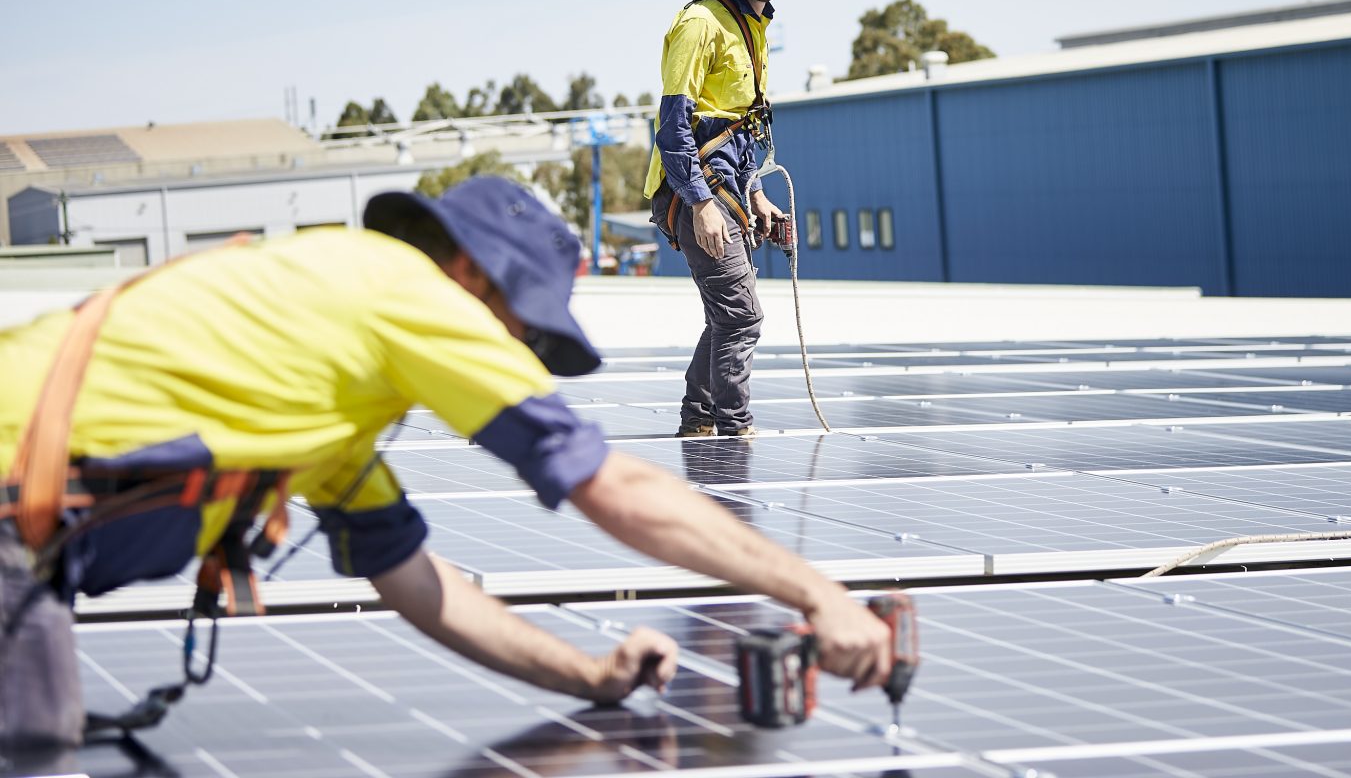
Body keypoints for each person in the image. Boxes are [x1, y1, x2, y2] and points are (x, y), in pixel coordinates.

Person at [0, 175, 891, 754]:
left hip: (22, 554)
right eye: (521, 321)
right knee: (38, 740)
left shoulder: (326, 383)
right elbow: (609, 486)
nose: (515, 345)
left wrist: (592, 676)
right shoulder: (409, 293)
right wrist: (815, 593)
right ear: (472, 271)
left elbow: (422, 586)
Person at [643, 0, 807, 438]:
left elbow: (743, 124)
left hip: (732, 186)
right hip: (695, 189)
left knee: (728, 315)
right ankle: (734, 426)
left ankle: (699, 418)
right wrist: (699, 202)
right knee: (742, 316)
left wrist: (756, 193)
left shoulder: (755, 26)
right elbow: (674, 125)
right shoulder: (701, 24)